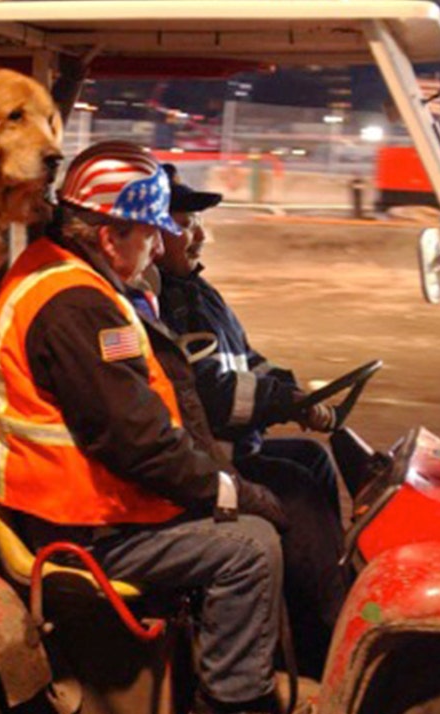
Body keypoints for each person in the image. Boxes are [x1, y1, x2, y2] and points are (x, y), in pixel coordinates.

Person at [0, 141, 301, 714]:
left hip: (82, 501)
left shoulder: (67, 276)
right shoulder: (78, 306)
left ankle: (226, 673)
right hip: (78, 521)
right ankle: (227, 709)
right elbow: (136, 442)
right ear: (108, 232)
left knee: (243, 514)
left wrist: (217, 482)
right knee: (251, 547)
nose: (157, 246)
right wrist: (229, 491)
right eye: (149, 232)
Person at [153, 164, 349, 676]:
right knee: (299, 490)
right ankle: (325, 640)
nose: (199, 234)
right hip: (210, 462)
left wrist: (297, 394)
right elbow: (212, 397)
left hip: (236, 449)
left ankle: (314, 592)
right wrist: (284, 403)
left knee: (313, 458)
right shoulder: (163, 308)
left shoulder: (200, 294)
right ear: (152, 232)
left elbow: (249, 360)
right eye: (185, 221)